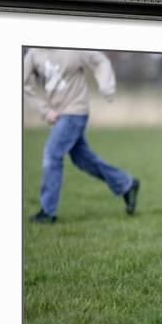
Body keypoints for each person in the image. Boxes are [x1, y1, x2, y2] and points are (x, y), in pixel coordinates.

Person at [23, 48, 140, 223]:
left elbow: (100, 60)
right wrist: (45, 111)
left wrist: (107, 87)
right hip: (57, 114)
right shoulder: (33, 54)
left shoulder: (72, 48)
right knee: (83, 159)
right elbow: (25, 85)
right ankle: (126, 184)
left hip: (76, 111)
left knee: (52, 154)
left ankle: (48, 212)